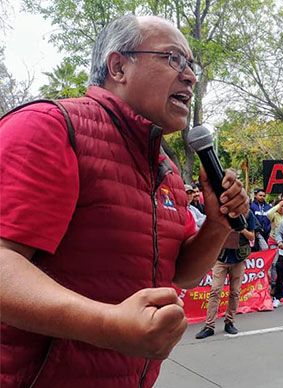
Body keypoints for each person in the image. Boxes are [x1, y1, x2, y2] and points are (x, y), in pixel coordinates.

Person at [0, 15, 248, 388]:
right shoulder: (50, 127)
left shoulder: (165, 168)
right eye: (173, 59)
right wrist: (108, 324)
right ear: (119, 66)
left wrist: (216, 224)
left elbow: (182, 273)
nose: (190, 76)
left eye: (191, 65)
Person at [195, 210, 257, 339]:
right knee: (215, 290)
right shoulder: (220, 212)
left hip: (238, 259)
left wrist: (241, 230)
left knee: (235, 292)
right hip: (221, 258)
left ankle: (230, 322)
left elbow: (251, 237)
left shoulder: (247, 214)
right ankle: (209, 326)